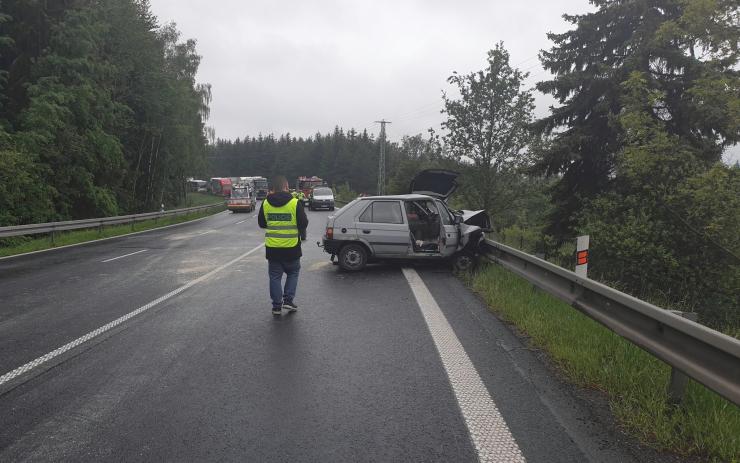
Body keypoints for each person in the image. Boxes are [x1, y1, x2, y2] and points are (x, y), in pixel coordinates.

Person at [258, 176, 309, 316]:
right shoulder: (294, 203)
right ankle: (288, 300)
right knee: (293, 273)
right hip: (291, 248)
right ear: (286, 187)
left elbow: (262, 224)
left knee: (275, 277)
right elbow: (304, 224)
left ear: (273, 188)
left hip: (273, 249)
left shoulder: (266, 203)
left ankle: (276, 306)